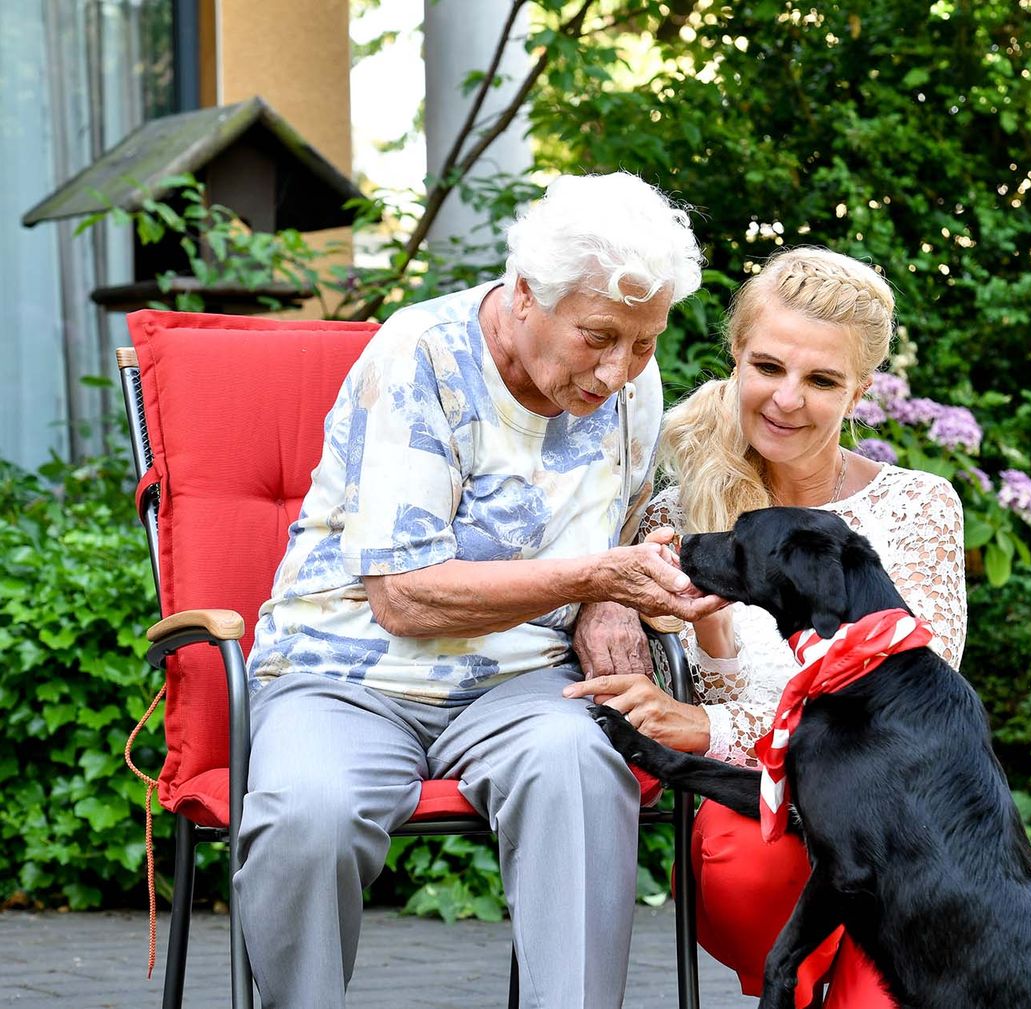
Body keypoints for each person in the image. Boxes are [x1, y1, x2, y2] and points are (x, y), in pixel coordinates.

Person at [235, 171, 724, 1009]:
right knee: (306, 814)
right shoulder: (422, 355)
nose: (618, 371)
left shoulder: (631, 380)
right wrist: (595, 577)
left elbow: (632, 513)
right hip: (348, 671)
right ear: (527, 294)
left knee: (579, 766)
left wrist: (613, 590)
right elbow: (405, 596)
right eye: (598, 336)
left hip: (523, 678)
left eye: (643, 343)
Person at [564, 247, 968, 1007]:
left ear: (861, 390)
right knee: (748, 861)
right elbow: (666, 701)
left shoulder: (916, 509)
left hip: (899, 830)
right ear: (735, 358)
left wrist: (710, 726)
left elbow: (899, 723)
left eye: (820, 379)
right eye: (767, 366)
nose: (786, 399)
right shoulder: (675, 515)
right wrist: (688, 635)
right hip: (757, 831)